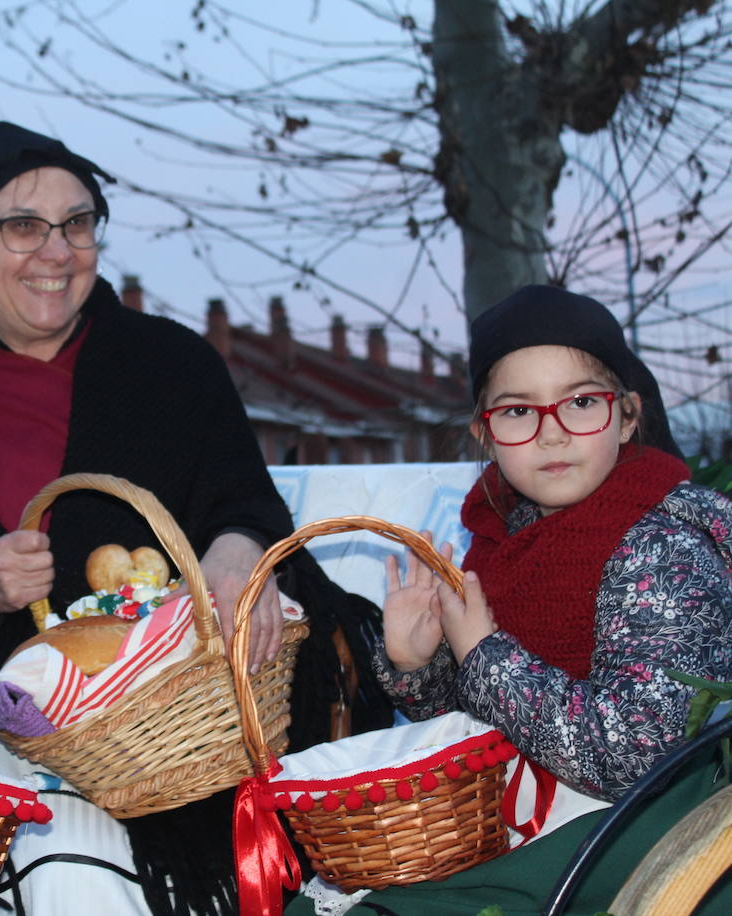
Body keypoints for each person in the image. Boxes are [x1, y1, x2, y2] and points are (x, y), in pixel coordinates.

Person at [0, 119, 393, 916]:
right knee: (70, 869)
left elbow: (247, 501)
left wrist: (240, 550)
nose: (57, 251)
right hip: (6, 758)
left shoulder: (173, 365)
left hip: (198, 743)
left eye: (79, 223)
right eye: (24, 226)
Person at [293, 285, 732, 914]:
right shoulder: (501, 538)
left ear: (628, 415)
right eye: (519, 412)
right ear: (486, 431)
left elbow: (642, 752)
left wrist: (484, 653)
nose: (552, 433)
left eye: (581, 403)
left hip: (647, 827)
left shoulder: (661, 545)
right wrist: (419, 665)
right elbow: (475, 718)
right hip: (527, 808)